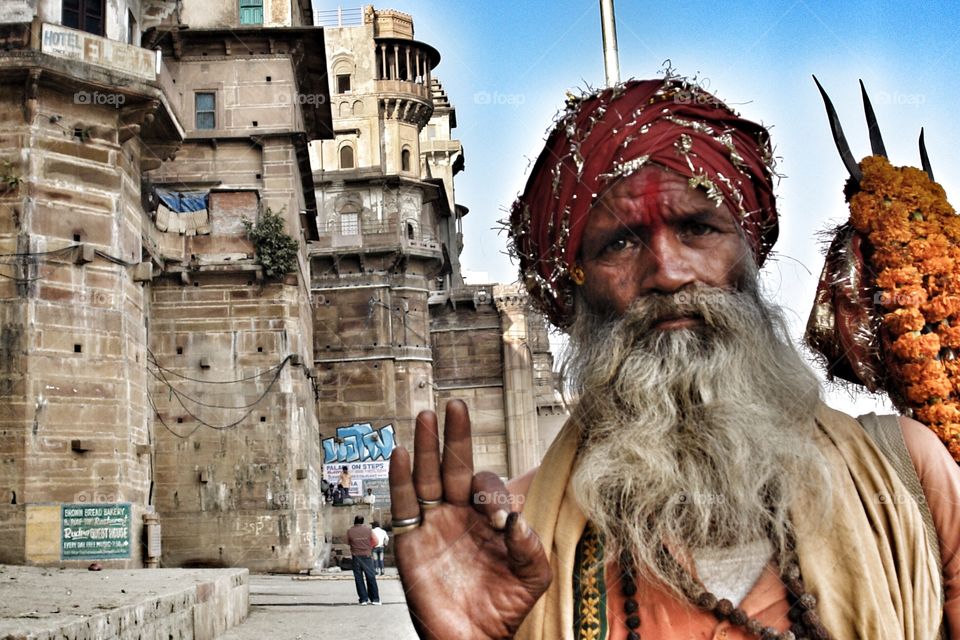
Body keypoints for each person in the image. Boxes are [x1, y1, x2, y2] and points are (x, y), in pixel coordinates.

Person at [388, 77, 960, 639]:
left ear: (748, 252)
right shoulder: (518, 532)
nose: (667, 271)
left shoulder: (905, 478)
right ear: (577, 285)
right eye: (619, 242)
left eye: (698, 228)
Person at [346, 514, 380, 605]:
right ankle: (375, 599)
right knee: (371, 577)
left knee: (359, 578)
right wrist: (369, 546)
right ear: (363, 522)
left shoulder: (350, 531)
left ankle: (363, 599)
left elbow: (347, 542)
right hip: (367, 556)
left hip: (356, 556)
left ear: (354, 521)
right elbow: (376, 542)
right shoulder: (368, 530)